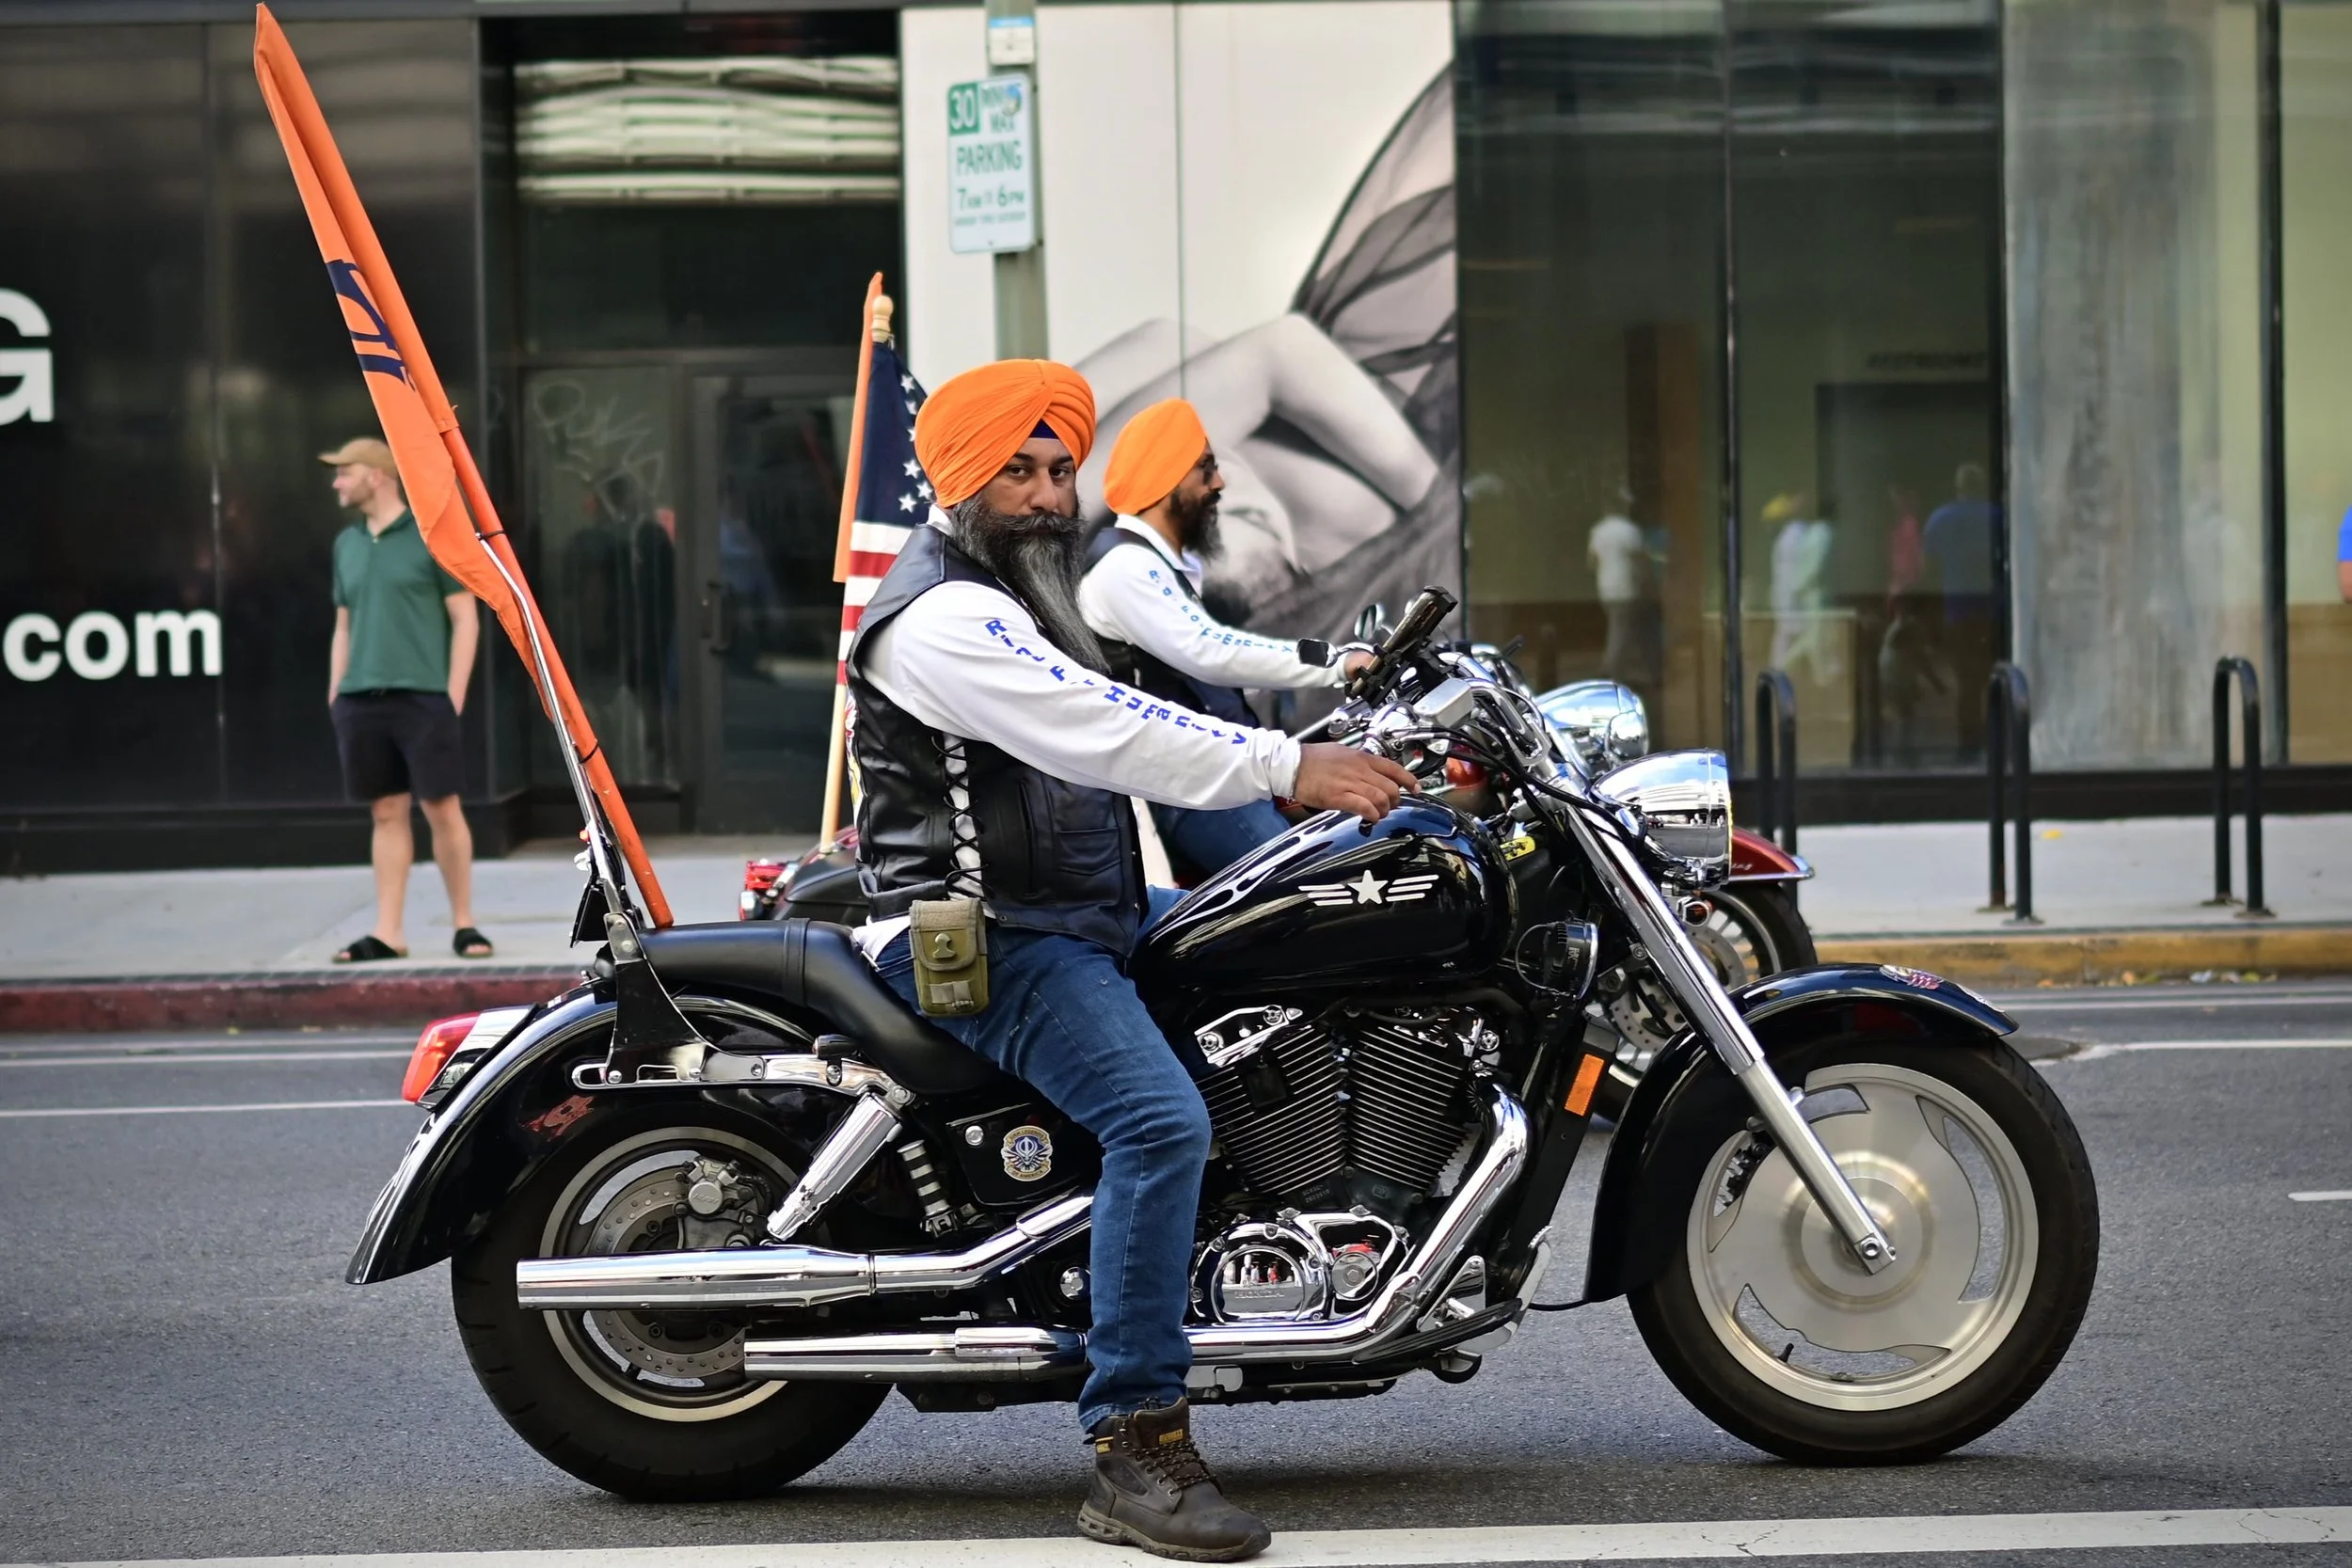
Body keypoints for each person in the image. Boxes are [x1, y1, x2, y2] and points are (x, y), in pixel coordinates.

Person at [848, 360, 1416, 1561]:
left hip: (1079, 909)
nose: (1052, 495)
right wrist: (1282, 768)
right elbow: (1102, 728)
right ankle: (1134, 1440)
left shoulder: (1023, 590)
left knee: (1293, 941)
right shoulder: (948, 613)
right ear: (960, 478)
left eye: (1062, 470)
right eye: (1021, 470)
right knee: (1160, 1123)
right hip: (990, 934)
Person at [1077, 397, 1375, 876]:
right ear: (1167, 479)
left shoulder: (1154, 565)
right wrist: (1337, 662)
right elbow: (1209, 651)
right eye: (1206, 469)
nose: (1219, 483)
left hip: (1215, 774)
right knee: (1316, 890)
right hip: (1190, 787)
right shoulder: (1125, 566)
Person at [321, 436, 491, 963]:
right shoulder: (346, 545)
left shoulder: (428, 538)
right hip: (361, 701)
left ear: (376, 476)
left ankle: (465, 925)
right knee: (386, 812)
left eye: (344, 473)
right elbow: (343, 624)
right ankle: (389, 932)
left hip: (423, 699)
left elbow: (466, 618)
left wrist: (452, 695)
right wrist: (336, 693)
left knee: (442, 808)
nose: (336, 483)